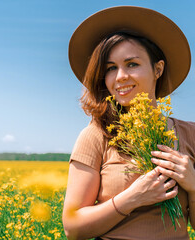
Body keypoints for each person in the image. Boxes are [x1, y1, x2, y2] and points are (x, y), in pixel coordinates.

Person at [62, 6, 195, 240]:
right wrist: (133, 198)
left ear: (158, 69)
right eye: (110, 68)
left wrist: (193, 186)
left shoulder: (189, 134)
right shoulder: (96, 136)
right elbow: (72, 228)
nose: (120, 76)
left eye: (132, 64)